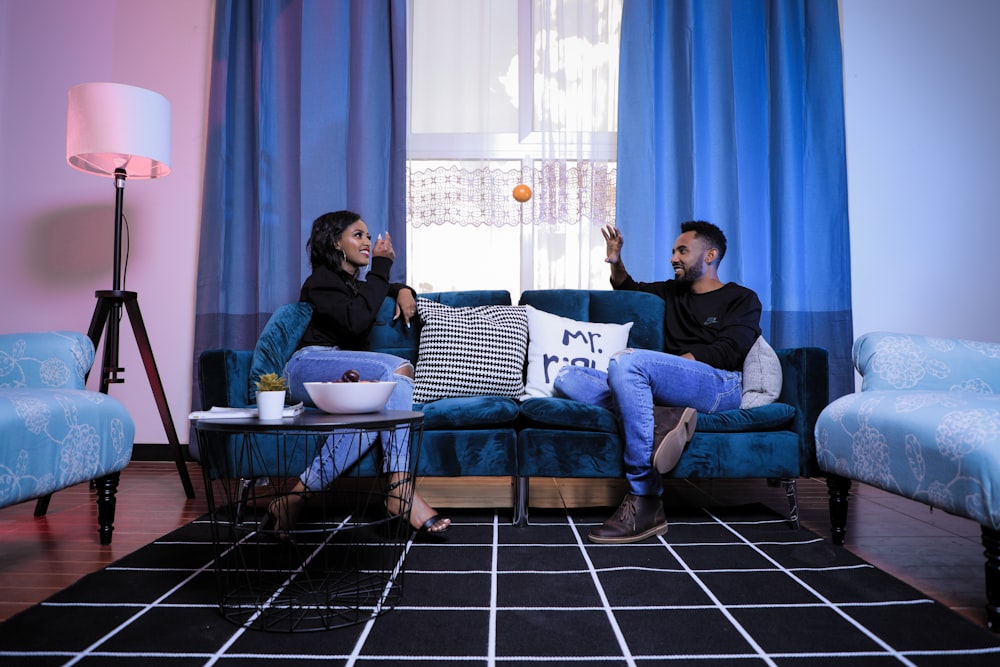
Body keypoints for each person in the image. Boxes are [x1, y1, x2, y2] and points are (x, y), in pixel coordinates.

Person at [554, 220, 761, 544]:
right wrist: (616, 260)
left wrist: (674, 369)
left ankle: (645, 497)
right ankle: (663, 416)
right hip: (672, 384)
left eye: (682, 251)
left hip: (721, 384)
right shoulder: (670, 291)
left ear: (710, 255)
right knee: (567, 376)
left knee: (627, 361)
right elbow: (627, 287)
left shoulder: (741, 297)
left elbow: (731, 349)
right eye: (673, 251)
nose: (673, 258)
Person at [264, 210, 451, 537]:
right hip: (308, 366)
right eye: (358, 235)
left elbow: (369, 294)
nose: (367, 242)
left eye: (368, 235)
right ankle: (399, 487)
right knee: (395, 368)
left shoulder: (353, 285)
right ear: (336, 242)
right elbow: (355, 320)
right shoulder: (320, 281)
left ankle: (294, 498)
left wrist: (401, 289)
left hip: (342, 374)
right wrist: (382, 268)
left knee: (369, 414)